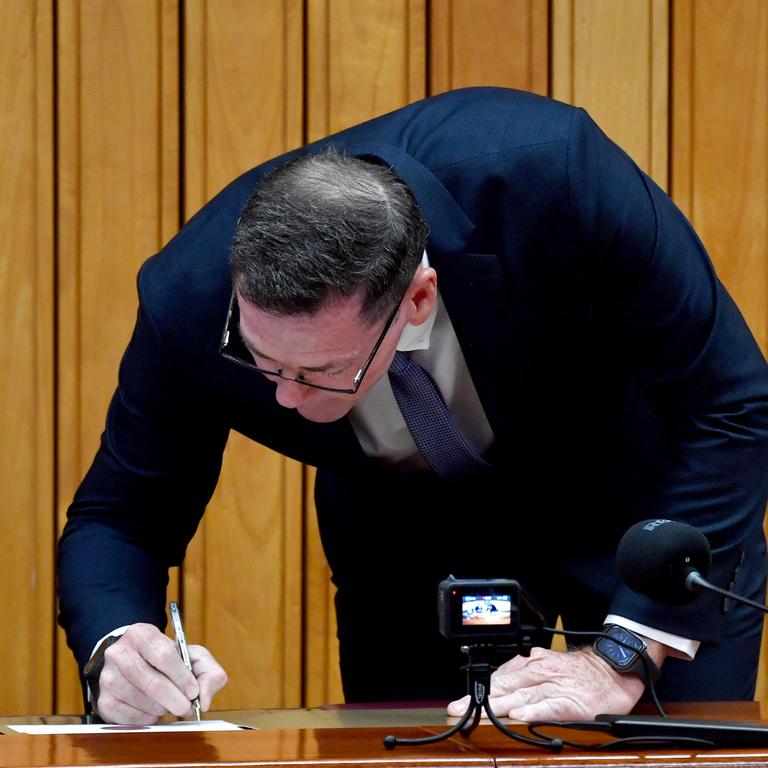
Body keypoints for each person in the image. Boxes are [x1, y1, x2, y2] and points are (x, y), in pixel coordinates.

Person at [57, 86, 768, 725]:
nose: (286, 397)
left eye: (323, 371)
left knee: (666, 750)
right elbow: (119, 516)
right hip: (406, 545)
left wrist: (622, 652)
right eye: (263, 361)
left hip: (645, 514)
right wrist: (115, 646)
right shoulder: (187, 302)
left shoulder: (551, 171)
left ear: (418, 297)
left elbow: (734, 405)